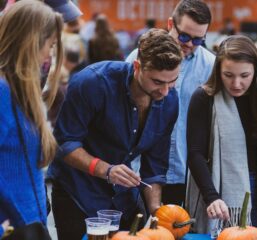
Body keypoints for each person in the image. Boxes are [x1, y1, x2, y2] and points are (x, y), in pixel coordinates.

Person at [47, 28, 182, 240]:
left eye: (172, 81)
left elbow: (154, 165)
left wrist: (157, 210)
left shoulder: (170, 101)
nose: (165, 91)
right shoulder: (93, 83)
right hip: (77, 193)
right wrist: (106, 170)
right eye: (157, 82)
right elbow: (64, 143)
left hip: (123, 199)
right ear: (137, 66)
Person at [186, 35, 257, 233]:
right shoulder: (204, 98)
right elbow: (195, 154)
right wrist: (212, 196)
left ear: (256, 71)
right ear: (218, 70)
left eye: (244, 76)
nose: (236, 83)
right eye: (228, 75)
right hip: (216, 187)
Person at [126, 0, 215, 206]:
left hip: (186, 172)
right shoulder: (138, 58)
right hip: (138, 170)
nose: (190, 44)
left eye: (198, 40)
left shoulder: (211, 66)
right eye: (184, 36)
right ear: (170, 24)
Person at [0, 0, 63, 237]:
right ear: (32, 43)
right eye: (50, 45)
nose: (50, 54)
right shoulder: (2, 92)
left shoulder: (21, 91)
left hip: (30, 226)